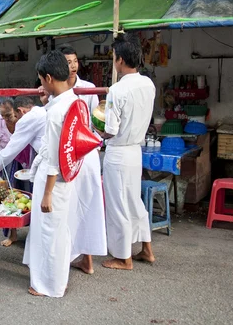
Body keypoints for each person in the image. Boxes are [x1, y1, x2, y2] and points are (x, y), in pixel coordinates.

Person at [40, 44, 107, 275]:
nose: (72, 66)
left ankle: (74, 264)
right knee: (70, 214)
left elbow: (96, 123)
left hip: (78, 159)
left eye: (74, 61)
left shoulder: (86, 91)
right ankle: (74, 260)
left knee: (76, 213)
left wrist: (90, 145)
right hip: (68, 162)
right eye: (67, 62)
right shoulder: (63, 99)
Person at [96, 33, 156, 270]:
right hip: (135, 152)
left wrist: (96, 133)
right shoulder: (148, 84)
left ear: (119, 60)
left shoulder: (117, 90)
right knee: (134, 201)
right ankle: (146, 250)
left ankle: (123, 257)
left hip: (119, 153)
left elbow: (110, 129)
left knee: (118, 204)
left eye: (113, 57)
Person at [23, 50, 78, 298]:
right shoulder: (72, 100)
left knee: (48, 232)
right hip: (67, 177)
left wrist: (47, 193)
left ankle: (48, 285)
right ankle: (57, 281)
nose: (41, 85)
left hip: (53, 179)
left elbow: (54, 158)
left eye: (41, 80)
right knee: (60, 231)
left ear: (48, 77)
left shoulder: (56, 112)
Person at [0, 96, 46, 246]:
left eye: (9, 115)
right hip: (11, 163)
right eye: (2, 115)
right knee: (10, 197)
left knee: (34, 198)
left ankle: (35, 234)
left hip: (31, 162)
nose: (6, 119)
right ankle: (12, 234)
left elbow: (12, 149)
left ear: (18, 111)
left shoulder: (27, 119)